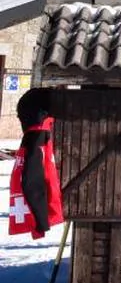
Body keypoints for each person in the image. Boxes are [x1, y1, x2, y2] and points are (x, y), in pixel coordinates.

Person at [9, 89, 64, 240]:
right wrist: (40, 221)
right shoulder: (38, 140)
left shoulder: (34, 139)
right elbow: (32, 182)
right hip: (42, 210)